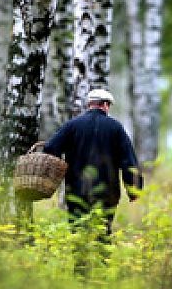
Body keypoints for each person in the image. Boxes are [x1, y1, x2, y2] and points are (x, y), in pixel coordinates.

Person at [43, 89, 143, 235]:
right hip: (107, 192)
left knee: (77, 230)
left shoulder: (72, 125)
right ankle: (101, 257)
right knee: (102, 232)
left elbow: (50, 147)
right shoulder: (116, 128)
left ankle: (79, 257)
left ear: (89, 104)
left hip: (76, 189)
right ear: (105, 105)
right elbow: (129, 161)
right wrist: (134, 190)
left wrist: (56, 171)